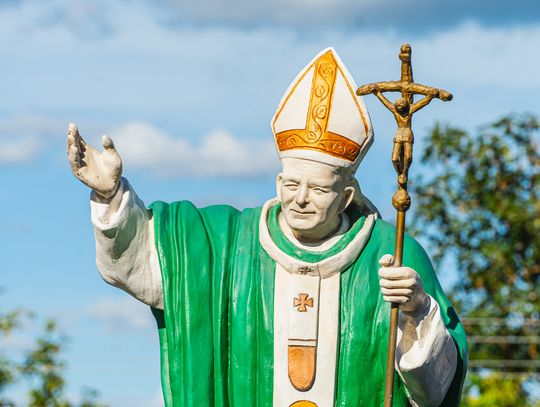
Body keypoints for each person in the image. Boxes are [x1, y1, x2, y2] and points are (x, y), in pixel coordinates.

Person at [67, 48, 467, 406]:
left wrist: (416, 311)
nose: (301, 198)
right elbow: (146, 262)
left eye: (318, 189)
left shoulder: (392, 255)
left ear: (346, 196)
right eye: (291, 185)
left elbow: (435, 392)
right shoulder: (228, 245)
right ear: (278, 183)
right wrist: (111, 195)